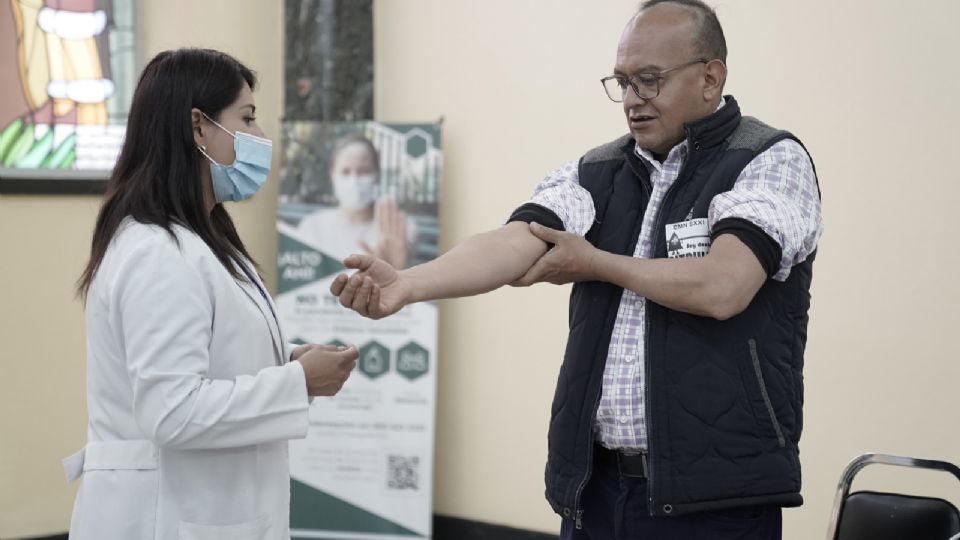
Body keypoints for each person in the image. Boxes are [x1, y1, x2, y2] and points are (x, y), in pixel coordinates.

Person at [330, 1, 822, 539]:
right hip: (596, 490)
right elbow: (515, 243)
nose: (633, 101)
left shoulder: (767, 160)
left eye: (650, 81)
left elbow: (724, 286)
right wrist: (409, 284)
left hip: (716, 499)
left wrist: (595, 263)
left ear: (711, 77)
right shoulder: (599, 170)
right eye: (623, 82)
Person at [68, 48, 359, 540]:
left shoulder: (201, 240)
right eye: (247, 118)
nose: (262, 137)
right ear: (199, 127)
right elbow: (172, 410)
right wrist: (297, 383)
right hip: (162, 517)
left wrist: (287, 362)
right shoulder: (157, 252)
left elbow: (201, 358)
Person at [297, 133, 417, 268]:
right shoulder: (311, 227)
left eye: (363, 171)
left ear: (377, 175)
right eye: (345, 171)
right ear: (332, 175)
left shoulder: (398, 229)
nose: (354, 180)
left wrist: (394, 271)